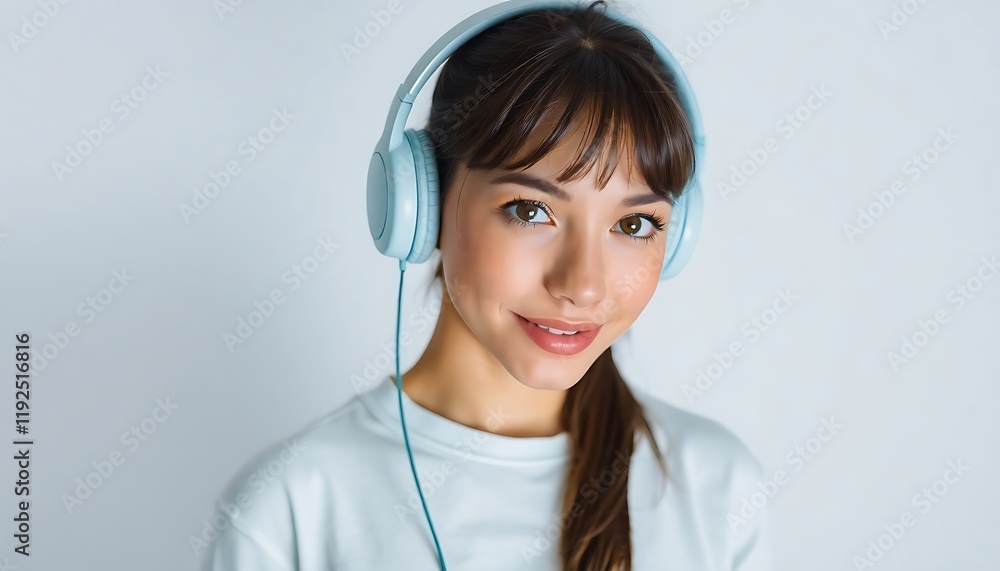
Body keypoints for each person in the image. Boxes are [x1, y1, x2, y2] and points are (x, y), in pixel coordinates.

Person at [201, 2, 773, 569]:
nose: (584, 287)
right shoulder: (289, 506)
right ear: (420, 204)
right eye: (530, 211)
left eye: (633, 224)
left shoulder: (717, 486)